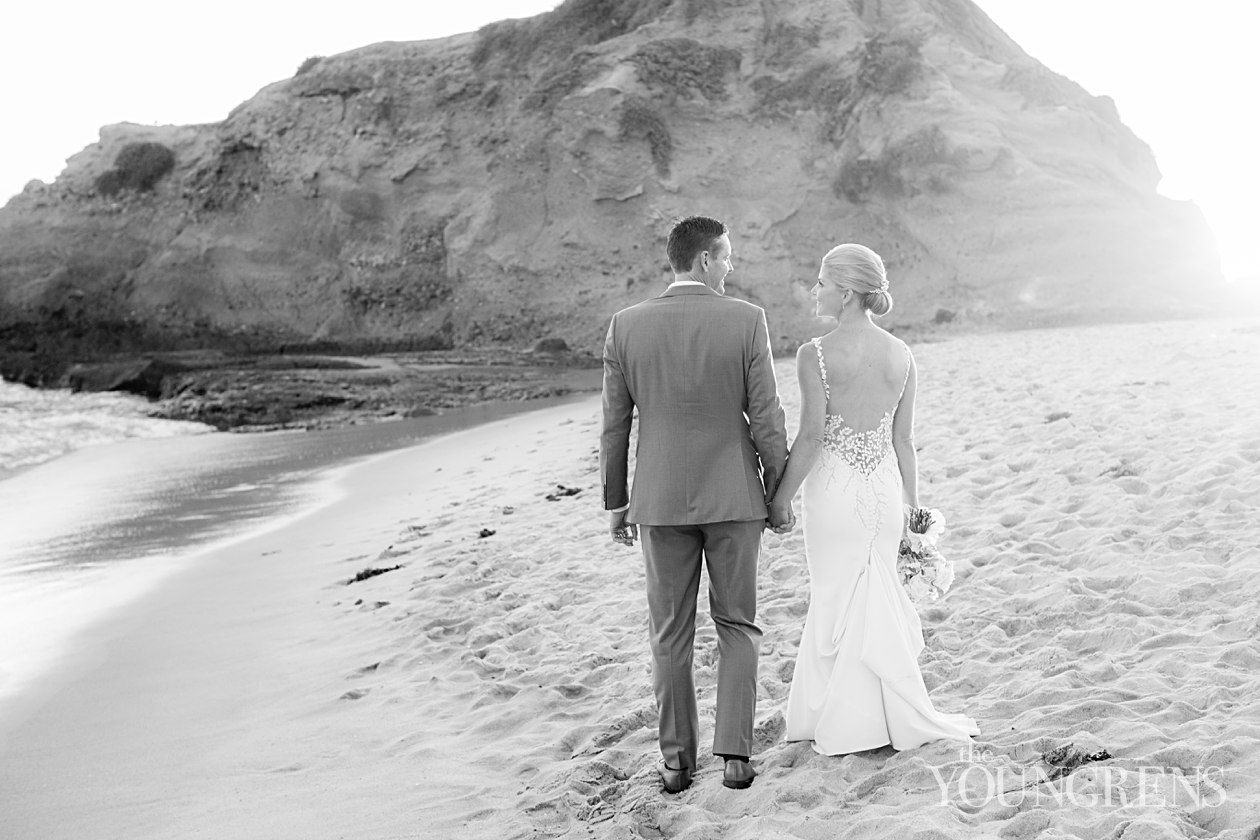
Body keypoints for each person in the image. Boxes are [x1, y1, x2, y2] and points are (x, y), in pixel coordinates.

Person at [600, 215, 791, 793]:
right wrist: (778, 493)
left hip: (657, 502)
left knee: (669, 634)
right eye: (727, 257)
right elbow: (767, 418)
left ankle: (677, 763)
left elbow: (615, 425)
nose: (731, 267)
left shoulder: (625, 326)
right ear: (705, 259)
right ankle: (735, 756)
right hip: (735, 496)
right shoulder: (746, 320)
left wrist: (617, 500)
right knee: (737, 625)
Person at [768, 243, 978, 755]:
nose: (815, 290)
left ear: (844, 292)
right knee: (876, 597)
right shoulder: (901, 355)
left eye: (821, 282)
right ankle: (883, 718)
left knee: (836, 600)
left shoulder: (813, 354)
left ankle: (838, 719)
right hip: (884, 493)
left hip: (835, 494)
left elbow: (813, 438)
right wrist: (913, 512)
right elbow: (903, 442)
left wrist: (779, 500)